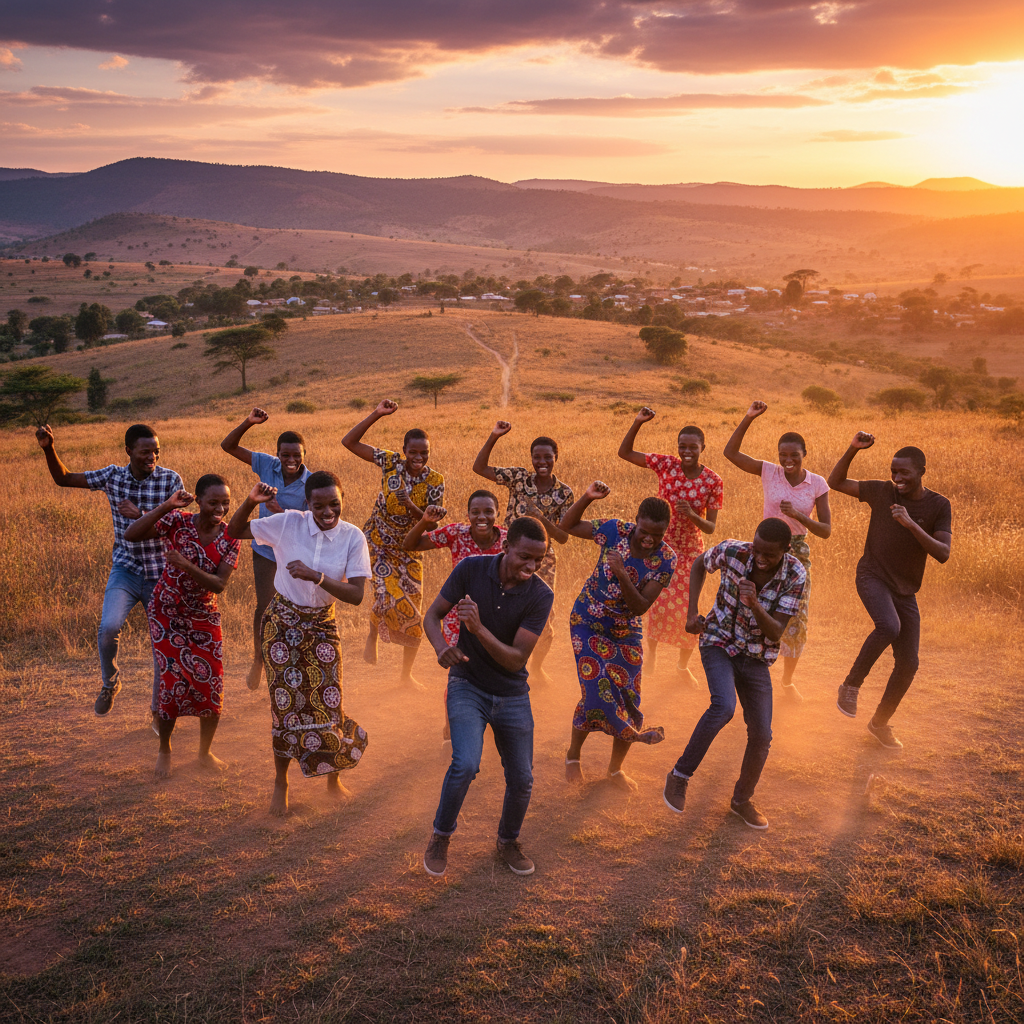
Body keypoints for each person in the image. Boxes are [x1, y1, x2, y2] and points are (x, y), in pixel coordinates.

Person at [227, 471, 372, 816]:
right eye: (319, 505)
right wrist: (250, 501)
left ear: (342, 500)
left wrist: (316, 576)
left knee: (329, 701)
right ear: (307, 504)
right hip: (282, 624)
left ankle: (333, 779)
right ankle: (281, 783)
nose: (328, 511)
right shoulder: (288, 523)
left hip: (323, 625)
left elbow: (356, 595)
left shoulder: (352, 537)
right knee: (285, 706)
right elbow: (234, 531)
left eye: (334, 503)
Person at [421, 517, 554, 879]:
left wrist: (477, 629)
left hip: (512, 693)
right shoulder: (471, 569)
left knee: (523, 778)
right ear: (506, 546)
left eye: (538, 560)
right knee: (465, 764)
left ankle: (507, 841)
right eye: (524, 557)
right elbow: (432, 616)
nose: (531, 566)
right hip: (468, 683)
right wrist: (441, 647)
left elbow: (516, 660)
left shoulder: (541, 595)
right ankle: (441, 836)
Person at [663, 518, 806, 830]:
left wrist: (754, 603)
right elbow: (700, 563)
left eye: (769, 554)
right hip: (718, 641)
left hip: (756, 656)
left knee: (762, 734)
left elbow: (776, 632)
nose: (760, 558)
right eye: (757, 550)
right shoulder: (732, 551)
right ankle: (679, 775)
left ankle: (741, 800)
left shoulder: (795, 574)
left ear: (786, 550)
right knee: (724, 706)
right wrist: (692, 612)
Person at [35, 422, 184, 719]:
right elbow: (64, 479)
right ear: (128, 451)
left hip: (160, 571)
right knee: (108, 629)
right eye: (145, 452)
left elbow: (177, 527)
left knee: (161, 644)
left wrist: (140, 515)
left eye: (156, 451)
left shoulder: (170, 480)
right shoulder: (112, 476)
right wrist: (49, 449)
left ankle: (158, 709)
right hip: (126, 568)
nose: (152, 457)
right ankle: (110, 683)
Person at [828, 434, 951, 750]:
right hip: (872, 575)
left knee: (909, 663)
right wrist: (853, 449)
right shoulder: (882, 491)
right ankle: (850, 686)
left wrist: (911, 524)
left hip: (905, 590)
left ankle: (879, 723)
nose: (897, 478)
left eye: (904, 473)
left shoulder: (939, 505)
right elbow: (835, 482)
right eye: (893, 471)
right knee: (889, 626)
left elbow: (943, 553)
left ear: (922, 471)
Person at [559, 482, 676, 792]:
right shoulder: (614, 531)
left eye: (657, 535)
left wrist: (622, 572)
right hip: (588, 620)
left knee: (629, 698)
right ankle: (573, 756)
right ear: (635, 522)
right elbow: (567, 526)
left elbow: (639, 607)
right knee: (595, 689)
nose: (649, 539)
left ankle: (615, 770)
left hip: (626, 629)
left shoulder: (666, 558)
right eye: (644, 532)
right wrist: (587, 498)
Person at [124, 475, 240, 778]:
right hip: (167, 612)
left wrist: (186, 565)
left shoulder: (231, 537)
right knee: (172, 682)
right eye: (213, 502)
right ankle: (165, 749)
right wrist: (167, 506)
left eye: (225, 503)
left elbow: (219, 584)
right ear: (198, 501)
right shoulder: (178, 521)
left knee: (211, 684)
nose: (220, 509)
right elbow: (132, 534)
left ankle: (204, 752)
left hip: (203, 615)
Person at [723, 401, 831, 701]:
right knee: (752, 607)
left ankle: (786, 681)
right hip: (764, 550)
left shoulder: (817, 483)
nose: (787, 460)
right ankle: (749, 672)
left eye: (794, 455)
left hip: (797, 552)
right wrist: (749, 417)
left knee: (796, 616)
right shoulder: (770, 472)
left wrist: (798, 516)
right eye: (783, 454)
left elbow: (825, 530)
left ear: (804, 454)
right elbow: (730, 453)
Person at [342, 399, 444, 688]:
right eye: (413, 452)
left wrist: (411, 506)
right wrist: (377, 414)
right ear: (404, 450)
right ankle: (373, 633)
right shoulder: (390, 463)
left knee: (414, 612)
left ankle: (405, 675)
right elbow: (349, 442)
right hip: (378, 542)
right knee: (387, 597)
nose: (419, 457)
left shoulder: (435, 481)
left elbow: (432, 523)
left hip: (410, 548)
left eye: (424, 453)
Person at [617, 408, 722, 686]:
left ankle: (682, 665)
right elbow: (625, 453)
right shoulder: (667, 465)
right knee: (656, 602)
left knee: (690, 607)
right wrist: (638, 422)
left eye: (693, 447)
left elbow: (710, 527)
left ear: (702, 448)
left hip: (690, 552)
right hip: (659, 547)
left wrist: (692, 515)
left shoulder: (713, 481)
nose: (687, 451)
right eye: (682, 446)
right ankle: (651, 654)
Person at [403, 491, 508, 754]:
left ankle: (486, 718)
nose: (482, 517)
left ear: (497, 513)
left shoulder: (508, 540)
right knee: (461, 672)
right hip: (457, 617)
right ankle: (452, 727)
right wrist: (425, 521)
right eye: (475, 512)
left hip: (496, 617)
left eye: (488, 511)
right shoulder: (456, 534)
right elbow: (410, 544)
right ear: (468, 514)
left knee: (494, 668)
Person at [472, 420, 574, 684]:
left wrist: (541, 518)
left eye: (547, 457)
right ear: (531, 458)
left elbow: (563, 536)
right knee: (497, 605)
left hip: (542, 561)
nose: (542, 462)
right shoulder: (518, 478)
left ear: (556, 458)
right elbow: (479, 468)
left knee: (543, 615)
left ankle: (535, 667)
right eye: (537, 457)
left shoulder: (564, 493)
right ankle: (497, 662)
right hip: (508, 554)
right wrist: (494, 436)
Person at [220, 407, 312, 691]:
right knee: (264, 606)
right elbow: (228, 446)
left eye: (296, 455)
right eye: (285, 455)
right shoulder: (266, 465)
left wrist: (278, 510)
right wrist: (248, 422)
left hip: (293, 553)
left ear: (304, 455)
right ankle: (259, 659)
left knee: (296, 608)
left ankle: (288, 662)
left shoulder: (310, 483)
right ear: (277, 454)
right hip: (264, 550)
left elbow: (310, 524)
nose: (291, 460)